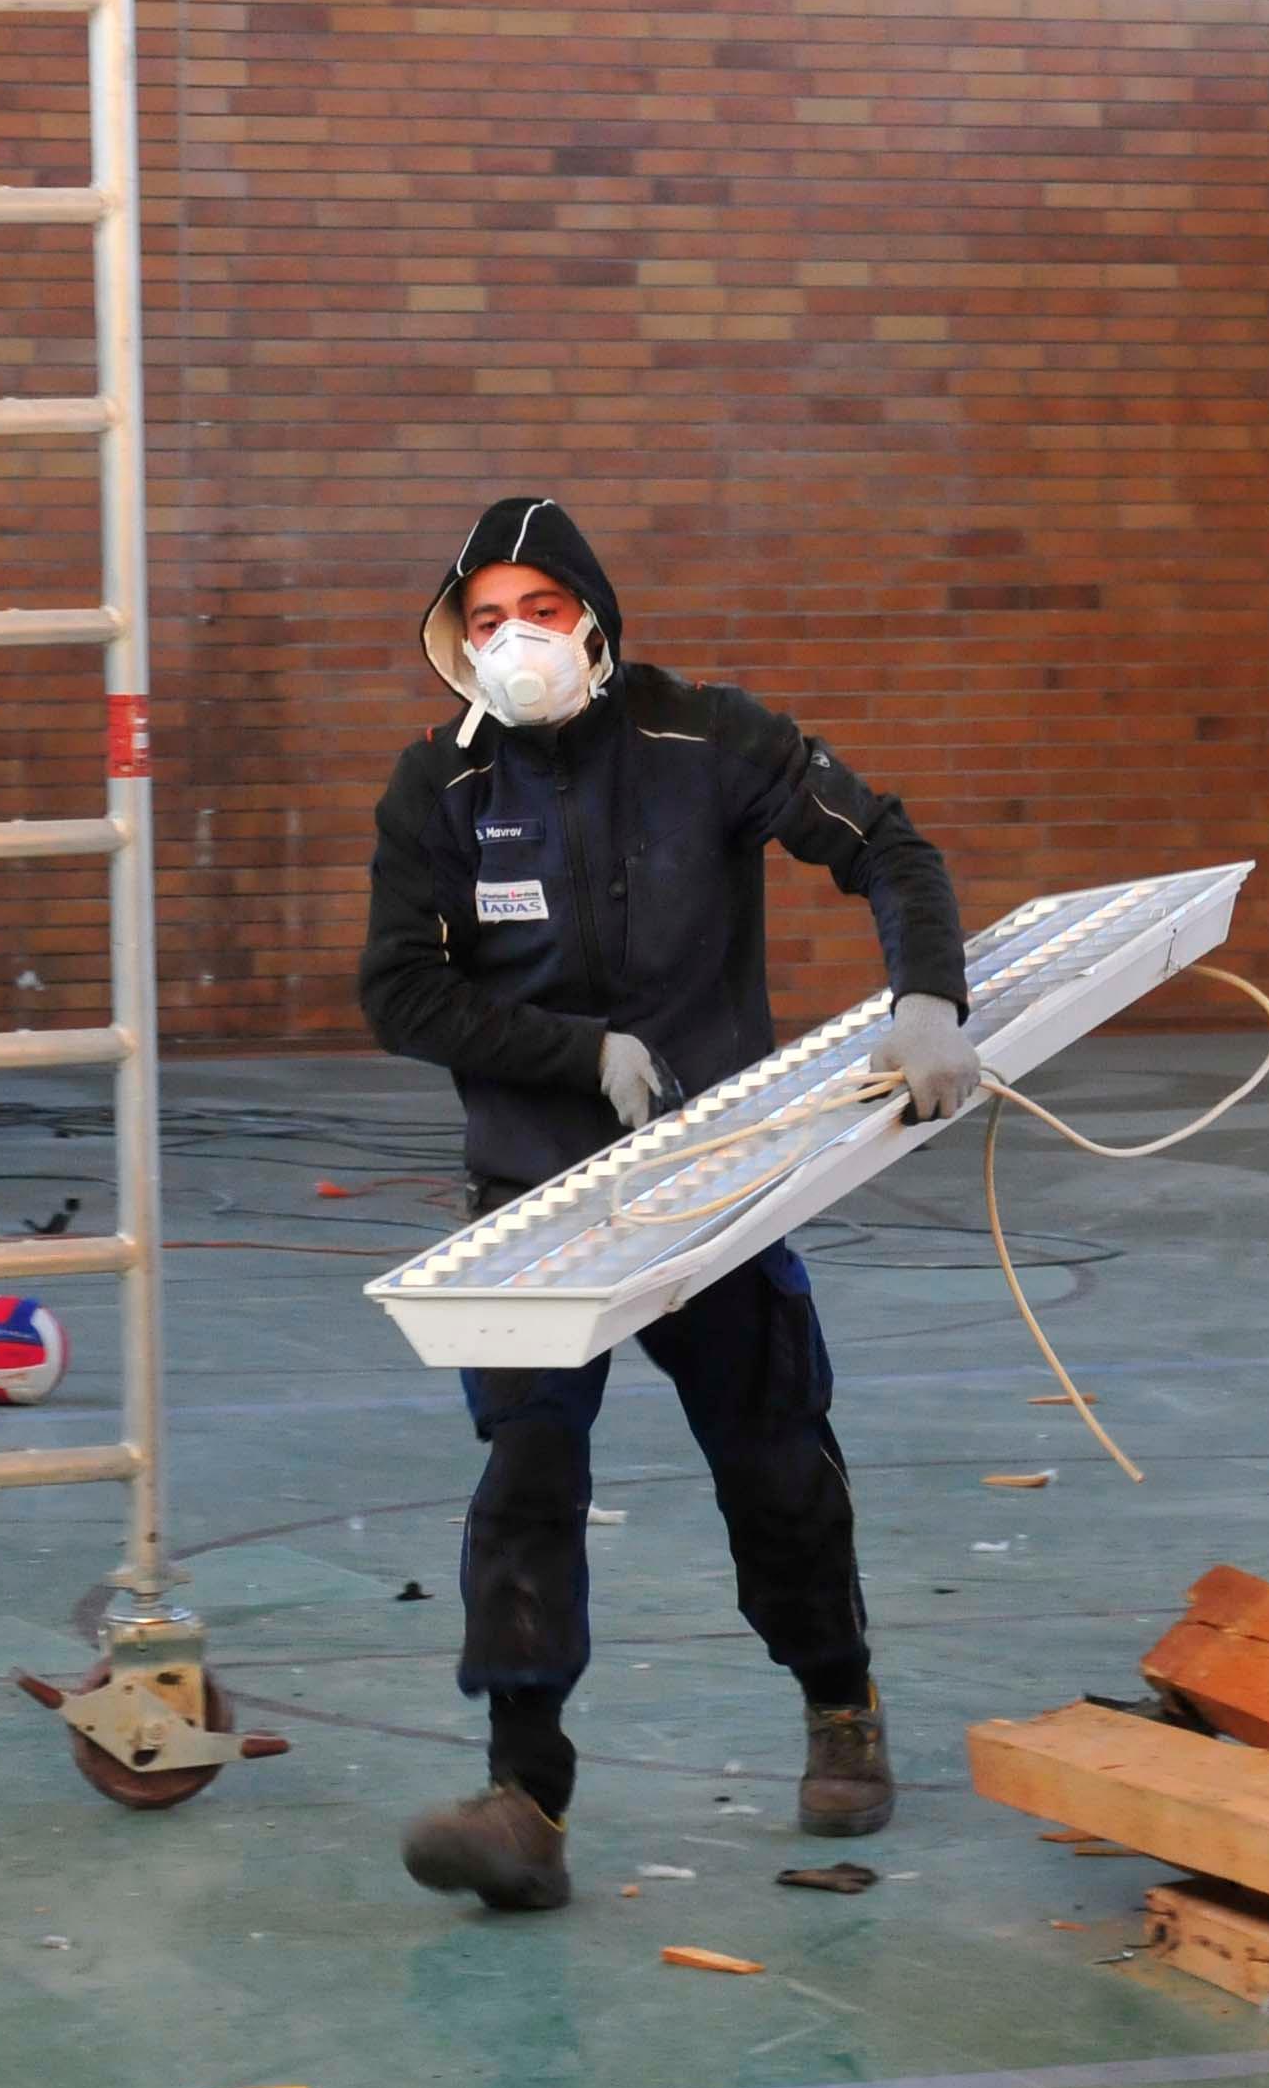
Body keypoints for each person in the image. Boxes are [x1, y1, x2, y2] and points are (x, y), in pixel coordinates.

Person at [358, 495, 977, 1912]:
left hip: (719, 1178)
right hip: (535, 1195)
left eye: (542, 611)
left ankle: (840, 1701)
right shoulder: (438, 789)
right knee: (525, 1478)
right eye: (487, 619)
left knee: (772, 1457)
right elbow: (400, 990)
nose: (514, 641)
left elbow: (889, 849)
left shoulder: (712, 741)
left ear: (597, 614)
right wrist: (578, 1056)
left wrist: (928, 994)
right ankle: (525, 1799)